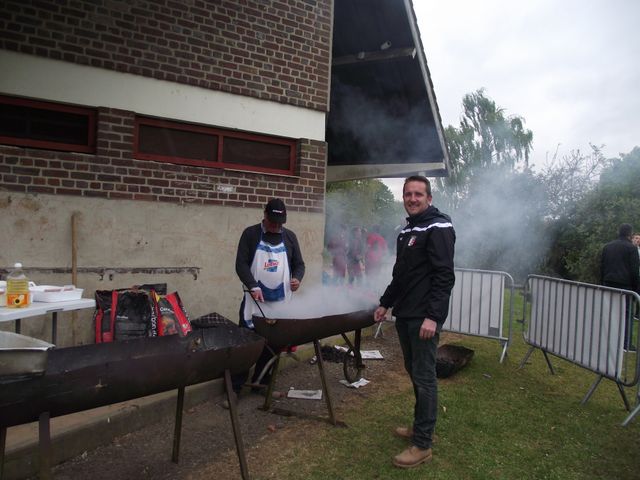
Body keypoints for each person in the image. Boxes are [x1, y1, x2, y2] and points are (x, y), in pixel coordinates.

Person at [374, 175, 455, 469]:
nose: (412, 198)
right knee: (414, 372)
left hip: (424, 318)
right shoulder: (407, 230)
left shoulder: (439, 227)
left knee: (424, 377)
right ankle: (420, 426)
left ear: (429, 198)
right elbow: (401, 275)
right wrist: (385, 302)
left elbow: (444, 276)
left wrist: (433, 317)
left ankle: (422, 444)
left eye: (418, 194)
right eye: (408, 194)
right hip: (405, 314)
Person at [230, 198, 305, 404]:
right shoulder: (251, 234)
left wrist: (297, 279)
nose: (275, 226)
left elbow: (299, 264)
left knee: (273, 346)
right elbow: (240, 264)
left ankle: (262, 385)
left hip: (280, 303)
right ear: (264, 215)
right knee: (246, 346)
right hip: (254, 302)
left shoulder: (290, 237)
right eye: (272, 222)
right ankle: (235, 389)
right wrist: (252, 285)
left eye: (279, 223)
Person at [600, 223, 639, 350]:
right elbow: (634, 271)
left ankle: (608, 339)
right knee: (627, 314)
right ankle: (626, 343)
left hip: (608, 283)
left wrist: (602, 283)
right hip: (625, 285)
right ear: (630, 234)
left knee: (610, 312)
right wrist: (636, 289)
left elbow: (602, 267)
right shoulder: (632, 248)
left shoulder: (607, 246)